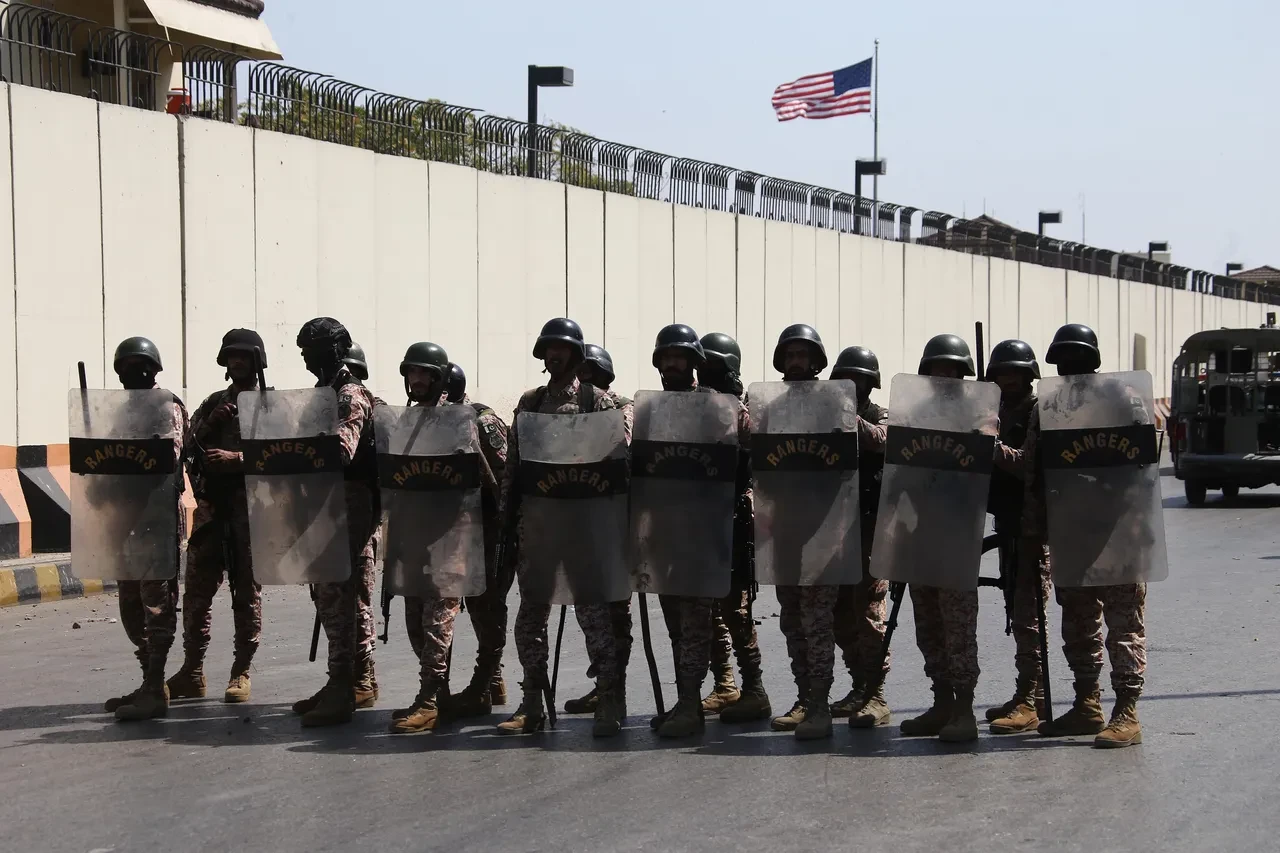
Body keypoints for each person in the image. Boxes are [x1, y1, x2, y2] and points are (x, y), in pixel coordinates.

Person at [496, 319, 632, 737]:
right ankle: (532, 701)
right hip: (539, 530)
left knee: (595, 622)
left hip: (585, 531)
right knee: (528, 624)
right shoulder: (531, 403)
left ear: (576, 355)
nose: (554, 356)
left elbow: (618, 467)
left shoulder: (600, 404)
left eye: (562, 349)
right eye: (548, 349)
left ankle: (609, 697)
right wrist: (506, 522)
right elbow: (513, 468)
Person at [1022, 323, 1147, 748]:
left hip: (1118, 532)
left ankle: (1126, 710)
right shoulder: (1049, 407)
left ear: (1092, 360)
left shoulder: (1123, 400)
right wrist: (1034, 527)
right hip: (1070, 531)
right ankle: (1087, 705)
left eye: (1077, 359)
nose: (1070, 368)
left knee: (1123, 624)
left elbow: (1144, 466)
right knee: (1077, 623)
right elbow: (1035, 472)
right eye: (1064, 361)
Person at [643, 325, 752, 738]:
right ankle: (686, 697)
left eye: (679, 357)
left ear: (694, 363)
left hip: (707, 532)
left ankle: (689, 704)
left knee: (695, 621)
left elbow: (754, 440)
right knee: (676, 623)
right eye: (665, 357)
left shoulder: (719, 405)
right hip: (666, 534)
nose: (671, 364)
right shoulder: (650, 408)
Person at [167, 329, 265, 705]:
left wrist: (237, 460)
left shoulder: (271, 407)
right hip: (211, 514)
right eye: (231, 356)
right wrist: (210, 424)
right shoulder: (212, 404)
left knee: (247, 596)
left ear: (257, 360)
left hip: (250, 516)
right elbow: (183, 449)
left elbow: (284, 456)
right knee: (196, 597)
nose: (236, 362)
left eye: (243, 355)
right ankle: (192, 670)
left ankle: (241, 671)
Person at [290, 318, 380, 727]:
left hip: (351, 508)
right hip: (326, 509)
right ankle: (352, 682)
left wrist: (291, 451)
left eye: (312, 349)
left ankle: (343, 688)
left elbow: (341, 451)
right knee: (330, 598)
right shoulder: (321, 395)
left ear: (332, 351)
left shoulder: (348, 395)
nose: (306, 357)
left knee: (341, 600)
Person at [899, 334, 982, 743]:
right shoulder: (916, 413)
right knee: (928, 623)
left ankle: (964, 709)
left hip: (957, 535)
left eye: (952, 370)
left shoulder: (979, 415)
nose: (944, 376)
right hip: (922, 532)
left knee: (958, 625)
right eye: (938, 370)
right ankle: (942, 702)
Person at [101, 337, 189, 721]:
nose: (132, 375)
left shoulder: (166, 407)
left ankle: (155, 687)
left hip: (157, 518)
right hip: (127, 520)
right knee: (131, 604)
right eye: (127, 369)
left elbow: (165, 458)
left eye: (139, 368)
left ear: (153, 370)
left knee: (157, 603)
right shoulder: (121, 411)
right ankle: (150, 680)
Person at [765, 324, 844, 740]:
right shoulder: (769, 407)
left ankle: (820, 705)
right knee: (793, 621)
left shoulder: (833, 404)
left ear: (816, 362)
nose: (796, 362)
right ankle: (804, 697)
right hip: (784, 532)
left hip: (823, 530)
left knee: (817, 623)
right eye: (790, 355)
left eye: (803, 355)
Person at [695, 332, 771, 723]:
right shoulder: (690, 408)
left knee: (735, 609)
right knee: (707, 611)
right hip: (697, 521)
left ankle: (754, 688)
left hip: (734, 519)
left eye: (711, 368)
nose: (703, 375)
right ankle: (726, 684)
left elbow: (757, 459)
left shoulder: (742, 412)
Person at [562, 343, 636, 717]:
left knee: (614, 612)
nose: (586, 381)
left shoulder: (620, 407)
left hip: (613, 524)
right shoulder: (564, 409)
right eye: (581, 374)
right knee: (589, 613)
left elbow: (616, 445)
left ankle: (614, 688)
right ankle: (603, 681)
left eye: (592, 375)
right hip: (579, 524)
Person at [985, 339, 1051, 734]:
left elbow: (1029, 465)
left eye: (1014, 372)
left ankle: (1031, 698)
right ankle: (1029, 693)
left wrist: (990, 447)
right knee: (1016, 607)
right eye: (1000, 373)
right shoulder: (997, 410)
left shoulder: (1036, 412)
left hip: (1032, 526)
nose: (1006, 379)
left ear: (1028, 375)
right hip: (1007, 521)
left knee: (1029, 617)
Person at [828, 345, 892, 728]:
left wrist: (849, 419)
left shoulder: (875, 414)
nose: (851, 385)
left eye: (859, 379)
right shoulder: (826, 413)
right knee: (838, 612)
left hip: (870, 524)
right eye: (845, 380)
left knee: (868, 609)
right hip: (833, 525)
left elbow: (884, 438)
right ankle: (860, 683)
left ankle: (877, 694)